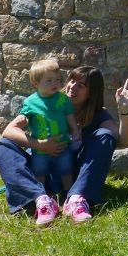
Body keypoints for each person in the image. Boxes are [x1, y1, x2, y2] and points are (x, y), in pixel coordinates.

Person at [0, 65, 128, 226]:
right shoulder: (44, 102)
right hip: (40, 171)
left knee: (105, 135)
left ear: (91, 93)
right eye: (71, 81)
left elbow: (126, 142)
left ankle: (76, 199)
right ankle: (39, 199)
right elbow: (9, 131)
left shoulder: (97, 115)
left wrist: (123, 109)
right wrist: (40, 145)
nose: (72, 86)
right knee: (1, 145)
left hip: (72, 177)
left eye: (81, 85)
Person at [20, 57, 80, 194]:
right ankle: (41, 194)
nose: (55, 83)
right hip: (40, 148)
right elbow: (24, 118)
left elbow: (69, 114)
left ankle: (68, 193)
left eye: (58, 79)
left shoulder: (62, 99)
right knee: (40, 170)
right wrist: (23, 118)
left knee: (66, 169)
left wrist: (75, 129)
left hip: (62, 144)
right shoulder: (30, 102)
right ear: (36, 83)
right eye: (49, 80)